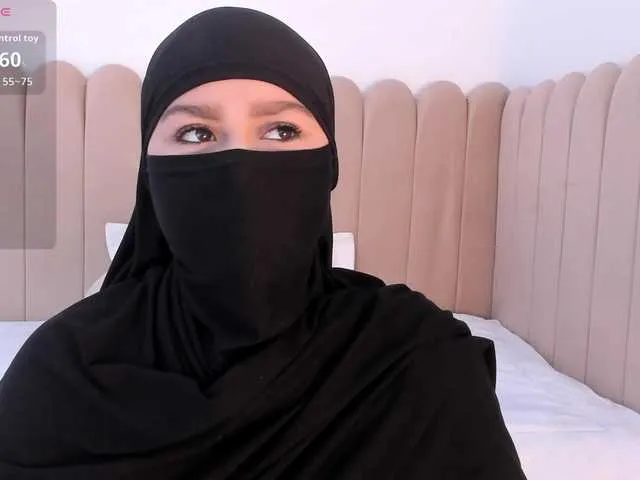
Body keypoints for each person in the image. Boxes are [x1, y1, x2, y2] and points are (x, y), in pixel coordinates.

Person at [0, 7, 526, 479]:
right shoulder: (63, 375)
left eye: (281, 131)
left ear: (330, 164)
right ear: (149, 175)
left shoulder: (417, 364)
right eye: (196, 134)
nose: (239, 170)